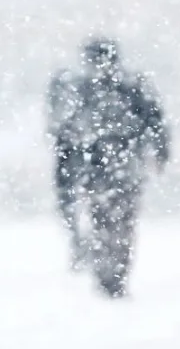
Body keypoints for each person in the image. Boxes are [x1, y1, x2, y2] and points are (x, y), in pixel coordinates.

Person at [55, 37, 169, 297]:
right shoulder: (129, 85)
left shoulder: (86, 88)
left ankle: (109, 273)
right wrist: (159, 152)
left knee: (105, 221)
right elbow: (155, 121)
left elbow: (68, 131)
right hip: (121, 167)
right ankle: (114, 272)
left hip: (102, 168)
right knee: (118, 222)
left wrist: (70, 165)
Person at [46, 67, 86, 269]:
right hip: (76, 157)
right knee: (73, 204)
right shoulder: (76, 86)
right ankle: (84, 243)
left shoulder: (69, 86)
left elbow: (55, 124)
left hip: (71, 156)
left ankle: (82, 243)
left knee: (70, 204)